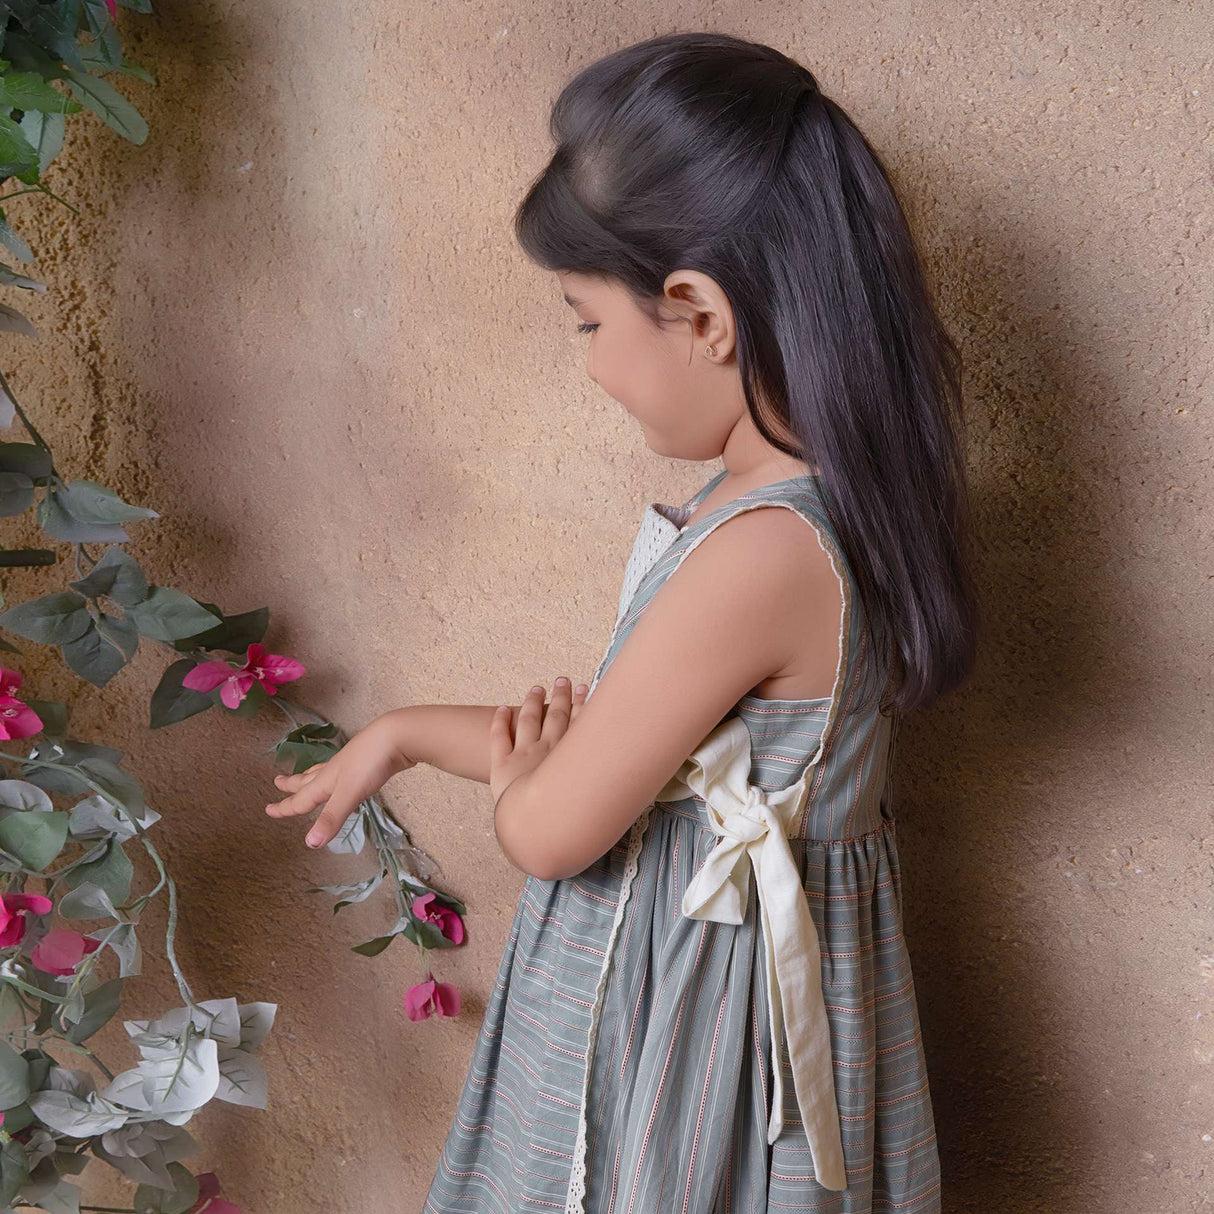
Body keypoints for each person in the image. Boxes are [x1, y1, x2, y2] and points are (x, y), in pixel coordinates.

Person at [265, 31, 978, 1214]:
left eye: (587, 322)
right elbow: (641, 757)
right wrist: (400, 731)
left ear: (696, 311)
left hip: (702, 1022)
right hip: (718, 969)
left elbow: (553, 827)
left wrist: (524, 795)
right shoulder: (788, 509)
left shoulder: (760, 549)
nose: (590, 364)